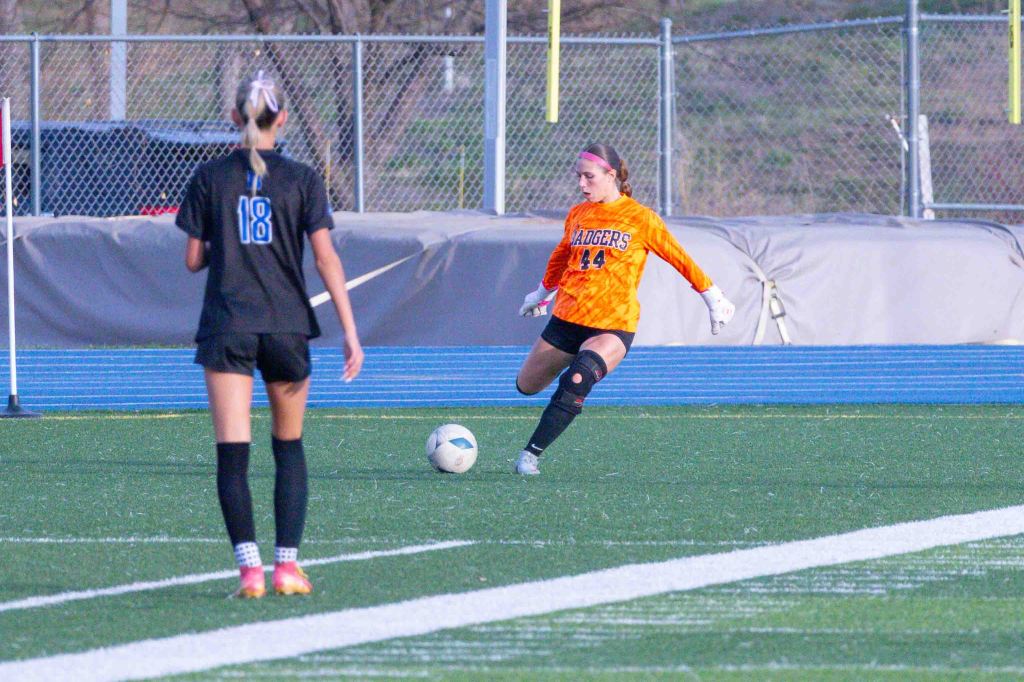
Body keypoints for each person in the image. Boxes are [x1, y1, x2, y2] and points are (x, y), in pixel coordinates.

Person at [176, 71, 364, 597]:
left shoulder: (209, 177)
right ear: (281, 118)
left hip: (228, 324)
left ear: (234, 116)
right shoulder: (302, 178)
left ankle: (249, 572)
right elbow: (325, 258)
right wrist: (350, 332)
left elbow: (192, 260)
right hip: (286, 325)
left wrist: (228, 244)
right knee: (289, 445)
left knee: (233, 454)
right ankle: (287, 567)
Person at [513, 143, 735, 475]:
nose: (582, 183)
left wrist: (713, 297)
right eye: (578, 176)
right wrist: (542, 293)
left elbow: (679, 257)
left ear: (611, 175)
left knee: (578, 379)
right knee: (526, 386)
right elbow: (561, 257)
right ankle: (569, 364)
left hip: (612, 324)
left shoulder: (640, 218)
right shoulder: (578, 214)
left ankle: (530, 455)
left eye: (589, 177)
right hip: (567, 319)